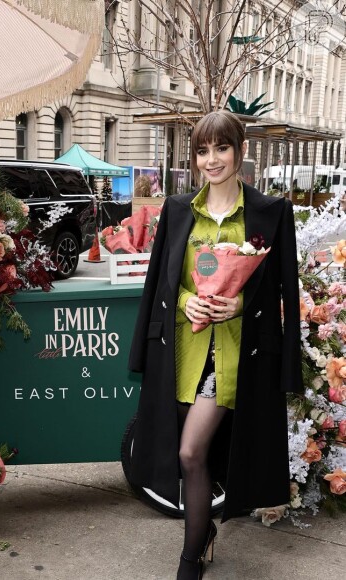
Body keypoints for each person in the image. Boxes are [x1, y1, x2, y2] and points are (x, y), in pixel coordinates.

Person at [128, 110, 303, 579]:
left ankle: (188, 559)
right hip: (182, 352)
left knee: (190, 452)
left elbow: (286, 291)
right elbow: (162, 283)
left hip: (235, 357)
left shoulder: (271, 214)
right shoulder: (179, 209)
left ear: (241, 151)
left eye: (221, 148)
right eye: (203, 150)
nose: (212, 159)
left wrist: (241, 306)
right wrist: (186, 301)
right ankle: (204, 532)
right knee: (197, 456)